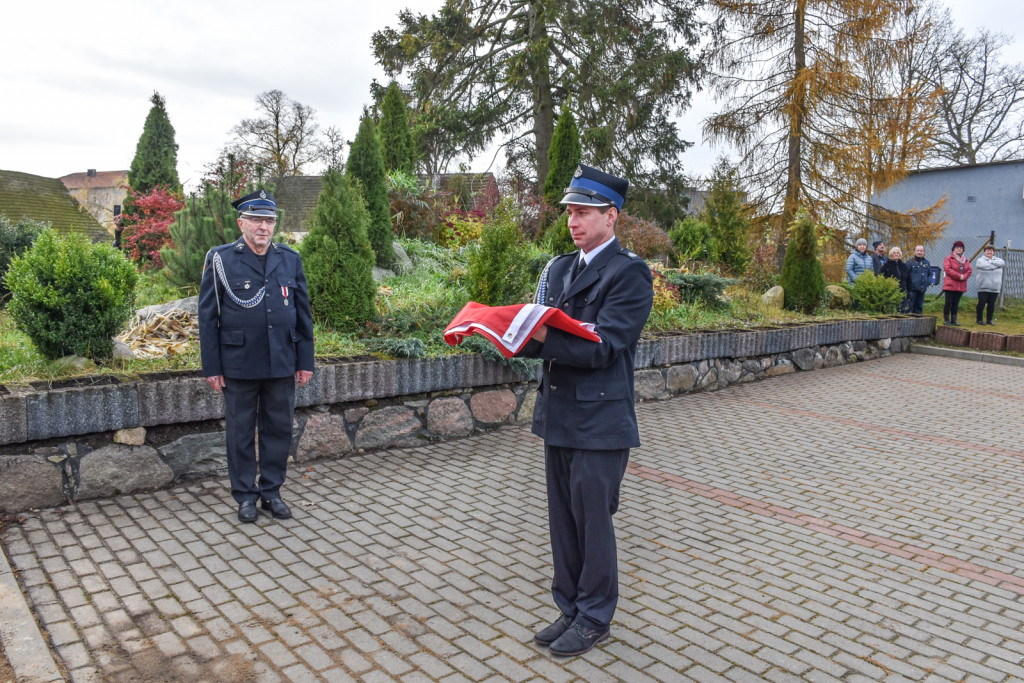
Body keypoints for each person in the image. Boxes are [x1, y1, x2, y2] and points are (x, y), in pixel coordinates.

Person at [518, 164, 653, 657]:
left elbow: (605, 346)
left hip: (600, 420)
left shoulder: (629, 272)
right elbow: (542, 336)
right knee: (563, 520)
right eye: (570, 212)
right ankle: (570, 606)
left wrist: (542, 337)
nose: (572, 221)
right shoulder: (557, 268)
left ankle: (596, 617)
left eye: (582, 212)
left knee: (592, 521)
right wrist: (513, 336)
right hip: (559, 414)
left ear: (610, 216)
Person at [198, 189, 315, 523]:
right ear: (242, 223)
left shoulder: (289, 258)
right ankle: (245, 496)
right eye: (256, 220)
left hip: (281, 359)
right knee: (240, 433)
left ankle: (272, 492)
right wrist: (212, 366)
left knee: (278, 429)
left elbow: (303, 314)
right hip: (238, 362)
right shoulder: (221, 259)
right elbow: (208, 317)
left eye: (269, 220)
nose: (263, 226)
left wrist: (304, 360)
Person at [941, 240, 972, 326]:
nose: (959, 249)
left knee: (956, 303)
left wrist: (964, 276)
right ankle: (946, 319)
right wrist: (959, 276)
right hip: (950, 284)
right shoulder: (948, 258)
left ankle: (954, 320)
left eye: (961, 248)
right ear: (953, 249)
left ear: (963, 249)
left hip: (960, 285)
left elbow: (969, 270)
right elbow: (948, 269)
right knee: (948, 302)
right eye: (957, 247)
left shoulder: (966, 260)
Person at [974, 244, 1005, 325]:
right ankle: (979, 319)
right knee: (982, 303)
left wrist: (990, 262)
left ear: (994, 252)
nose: (989, 252)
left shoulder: (999, 260)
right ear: (984, 252)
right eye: (987, 250)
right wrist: (995, 266)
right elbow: (983, 265)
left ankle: (989, 320)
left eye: (991, 250)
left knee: (991, 304)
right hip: (983, 286)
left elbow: (1002, 263)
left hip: (995, 287)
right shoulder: (980, 260)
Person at [879, 246, 909, 311]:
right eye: (894, 253)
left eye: (897, 253)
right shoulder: (886, 266)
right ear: (891, 255)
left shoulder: (904, 266)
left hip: (902, 290)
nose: (896, 254)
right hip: (891, 291)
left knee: (902, 309)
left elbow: (908, 278)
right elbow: (882, 277)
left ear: (900, 255)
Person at [906, 245, 931, 315]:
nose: (919, 252)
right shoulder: (909, 262)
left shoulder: (927, 263)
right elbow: (905, 275)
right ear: (914, 251)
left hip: (922, 289)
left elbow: (930, 274)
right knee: (909, 308)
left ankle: (918, 323)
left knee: (919, 307)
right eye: (918, 250)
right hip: (912, 290)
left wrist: (927, 283)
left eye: (921, 251)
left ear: (924, 252)